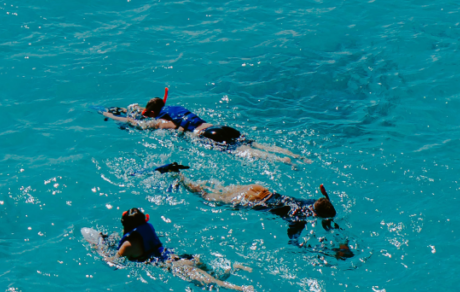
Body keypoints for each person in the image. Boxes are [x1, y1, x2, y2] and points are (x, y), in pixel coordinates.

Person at [174, 174, 354, 259]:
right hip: (253, 200)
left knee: (222, 190)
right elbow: (294, 242)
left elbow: (325, 210)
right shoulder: (298, 219)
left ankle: (198, 181)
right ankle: (184, 182)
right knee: (213, 199)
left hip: (260, 190)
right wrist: (324, 252)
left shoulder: (315, 202)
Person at [100, 97, 307, 166]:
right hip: (217, 126)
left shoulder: (165, 122)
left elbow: (136, 123)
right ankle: (295, 156)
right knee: (253, 143)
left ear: (152, 112)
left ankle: (285, 162)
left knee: (245, 152)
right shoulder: (177, 109)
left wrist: (110, 115)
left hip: (208, 136)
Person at [111, 207, 256, 292]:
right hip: (183, 258)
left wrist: (97, 249)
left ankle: (243, 289)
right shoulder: (147, 230)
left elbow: (113, 262)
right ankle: (234, 269)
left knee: (213, 283)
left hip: (178, 267)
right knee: (215, 276)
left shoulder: (127, 245)